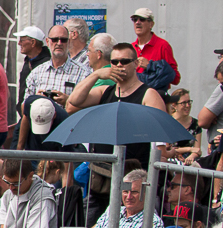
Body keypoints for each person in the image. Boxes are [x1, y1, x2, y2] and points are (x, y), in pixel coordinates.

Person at [67, 42, 171, 170]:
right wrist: (96, 74)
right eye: (114, 62)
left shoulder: (148, 95)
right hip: (102, 170)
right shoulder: (104, 91)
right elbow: (74, 100)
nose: (119, 65)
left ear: (136, 64)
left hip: (134, 171)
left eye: (124, 61)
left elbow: (160, 138)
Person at [129, 7, 180, 94]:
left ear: (151, 24)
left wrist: (151, 66)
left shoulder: (163, 46)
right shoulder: (130, 48)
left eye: (142, 19)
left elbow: (175, 78)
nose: (137, 22)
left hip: (155, 96)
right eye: (134, 19)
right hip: (133, 96)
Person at [14, 25, 51, 107]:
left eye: (22, 40)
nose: (19, 43)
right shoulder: (28, 61)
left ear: (33, 42)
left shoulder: (47, 64)